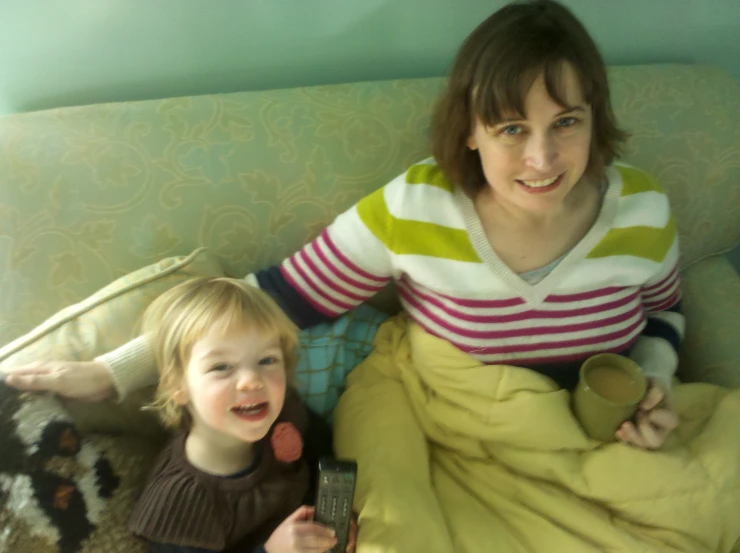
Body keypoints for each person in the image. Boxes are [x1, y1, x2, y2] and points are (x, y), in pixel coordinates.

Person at [6, 0, 680, 451]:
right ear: (470, 131)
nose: (542, 158)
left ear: (595, 118)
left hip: (601, 437)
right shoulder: (418, 206)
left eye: (567, 122)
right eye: (512, 129)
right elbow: (270, 300)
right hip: (462, 445)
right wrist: (111, 370)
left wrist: (656, 386)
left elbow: (665, 316)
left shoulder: (643, 209)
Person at [120, 277, 357, 553]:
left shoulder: (286, 412)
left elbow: (323, 457)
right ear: (178, 387)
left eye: (267, 360)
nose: (252, 380)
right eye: (222, 366)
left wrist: (335, 515)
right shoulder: (178, 504)